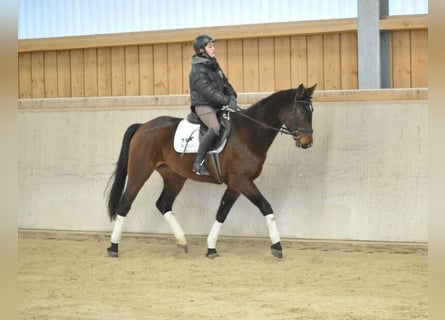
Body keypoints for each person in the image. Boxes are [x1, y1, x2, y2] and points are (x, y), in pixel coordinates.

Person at [189, 34, 238, 175]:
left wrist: (232, 96)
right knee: (215, 128)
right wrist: (227, 101)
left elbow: (225, 82)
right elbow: (208, 92)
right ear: (201, 50)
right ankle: (198, 163)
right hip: (203, 105)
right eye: (210, 46)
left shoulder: (214, 64)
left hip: (217, 103)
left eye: (213, 46)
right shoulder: (197, 69)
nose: (213, 48)